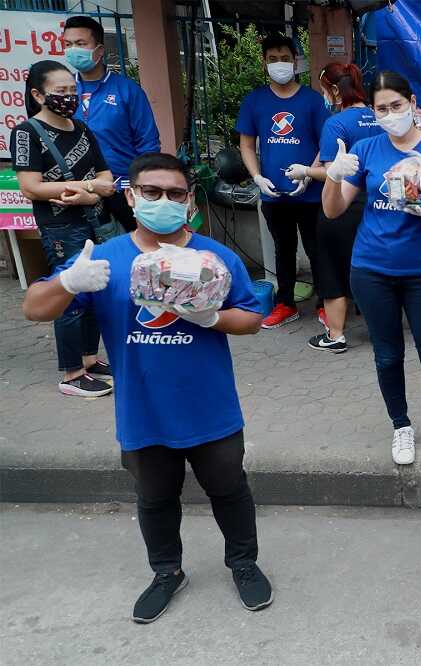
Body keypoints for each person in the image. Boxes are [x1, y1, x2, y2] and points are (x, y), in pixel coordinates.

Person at [22, 152, 274, 623]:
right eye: (151, 192)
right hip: (142, 411)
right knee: (155, 498)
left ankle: (244, 563)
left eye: (174, 193)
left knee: (229, 489)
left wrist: (213, 317)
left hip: (210, 407)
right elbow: (35, 310)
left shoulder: (214, 258)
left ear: (190, 200)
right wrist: (71, 283)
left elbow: (252, 320)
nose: (163, 201)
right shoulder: (104, 258)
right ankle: (166, 572)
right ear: (132, 197)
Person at [321, 71, 421, 464]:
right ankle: (401, 426)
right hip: (371, 267)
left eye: (397, 106)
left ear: (412, 103)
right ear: (374, 111)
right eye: (382, 108)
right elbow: (333, 210)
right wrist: (332, 175)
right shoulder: (366, 148)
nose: (391, 114)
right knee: (388, 355)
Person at [11, 60, 116, 397]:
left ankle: (88, 358)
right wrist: (88, 189)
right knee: (69, 293)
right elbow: (31, 187)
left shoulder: (81, 128)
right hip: (61, 227)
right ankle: (71, 373)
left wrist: (88, 192)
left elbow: (106, 176)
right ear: (39, 94)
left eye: (72, 90)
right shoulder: (26, 133)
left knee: (96, 289)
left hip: (95, 222)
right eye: (61, 91)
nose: (69, 97)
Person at [285, 62, 383, 352]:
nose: (323, 95)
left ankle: (335, 335)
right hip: (376, 205)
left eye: (324, 89)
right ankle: (381, 331)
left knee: (332, 270)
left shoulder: (336, 123)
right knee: (371, 268)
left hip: (341, 205)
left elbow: (332, 172)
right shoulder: (379, 116)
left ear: (335, 91)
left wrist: (305, 171)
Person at [237, 34, 326, 328]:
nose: (280, 64)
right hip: (274, 193)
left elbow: (326, 144)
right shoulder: (255, 100)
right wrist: (257, 177)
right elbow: (247, 144)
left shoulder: (313, 100)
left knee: (317, 250)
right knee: (283, 250)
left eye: (285, 58)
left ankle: (327, 303)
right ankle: (286, 303)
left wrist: (309, 174)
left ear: (296, 61)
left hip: (311, 193)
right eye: (273, 59)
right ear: (264, 63)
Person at [63, 15, 160, 233]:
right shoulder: (63, 91)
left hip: (122, 188)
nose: (73, 50)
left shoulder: (127, 90)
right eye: (68, 44)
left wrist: (142, 186)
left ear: (99, 50)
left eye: (80, 44)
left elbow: (148, 143)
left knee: (135, 251)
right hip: (78, 190)